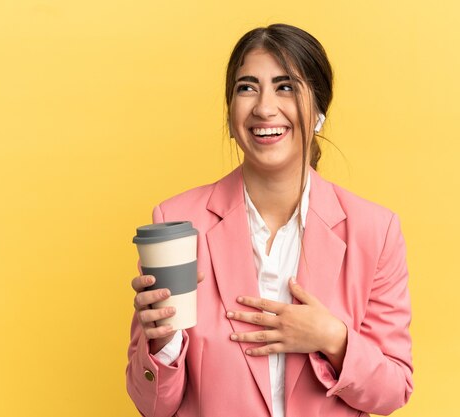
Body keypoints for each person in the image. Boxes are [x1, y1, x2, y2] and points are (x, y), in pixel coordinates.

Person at [126, 23, 413, 417]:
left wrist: (332, 337)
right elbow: (153, 407)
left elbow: (392, 391)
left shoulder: (375, 232)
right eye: (247, 87)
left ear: (319, 112)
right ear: (230, 115)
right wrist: (163, 342)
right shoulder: (178, 223)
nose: (264, 107)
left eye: (286, 87)